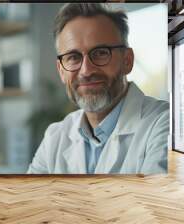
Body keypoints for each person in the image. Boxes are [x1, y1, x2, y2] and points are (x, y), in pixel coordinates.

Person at [27, 3, 169, 174]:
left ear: (127, 61)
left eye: (101, 53)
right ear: (61, 71)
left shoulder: (165, 124)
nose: (86, 71)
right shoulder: (54, 137)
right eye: (73, 57)